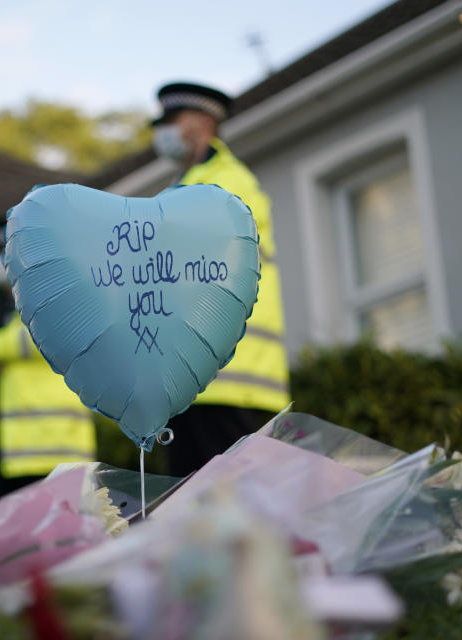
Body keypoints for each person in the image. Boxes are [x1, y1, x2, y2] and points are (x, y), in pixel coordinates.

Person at [150, 81, 291, 476]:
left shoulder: (227, 180)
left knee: (235, 516)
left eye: (172, 121)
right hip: (195, 383)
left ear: (200, 123)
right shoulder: (185, 186)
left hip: (232, 383)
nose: (161, 132)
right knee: (193, 516)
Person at [0, 250, 97, 504]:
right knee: (2, 540)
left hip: (49, 450)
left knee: (51, 539)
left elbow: (47, 334)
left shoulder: (52, 293)